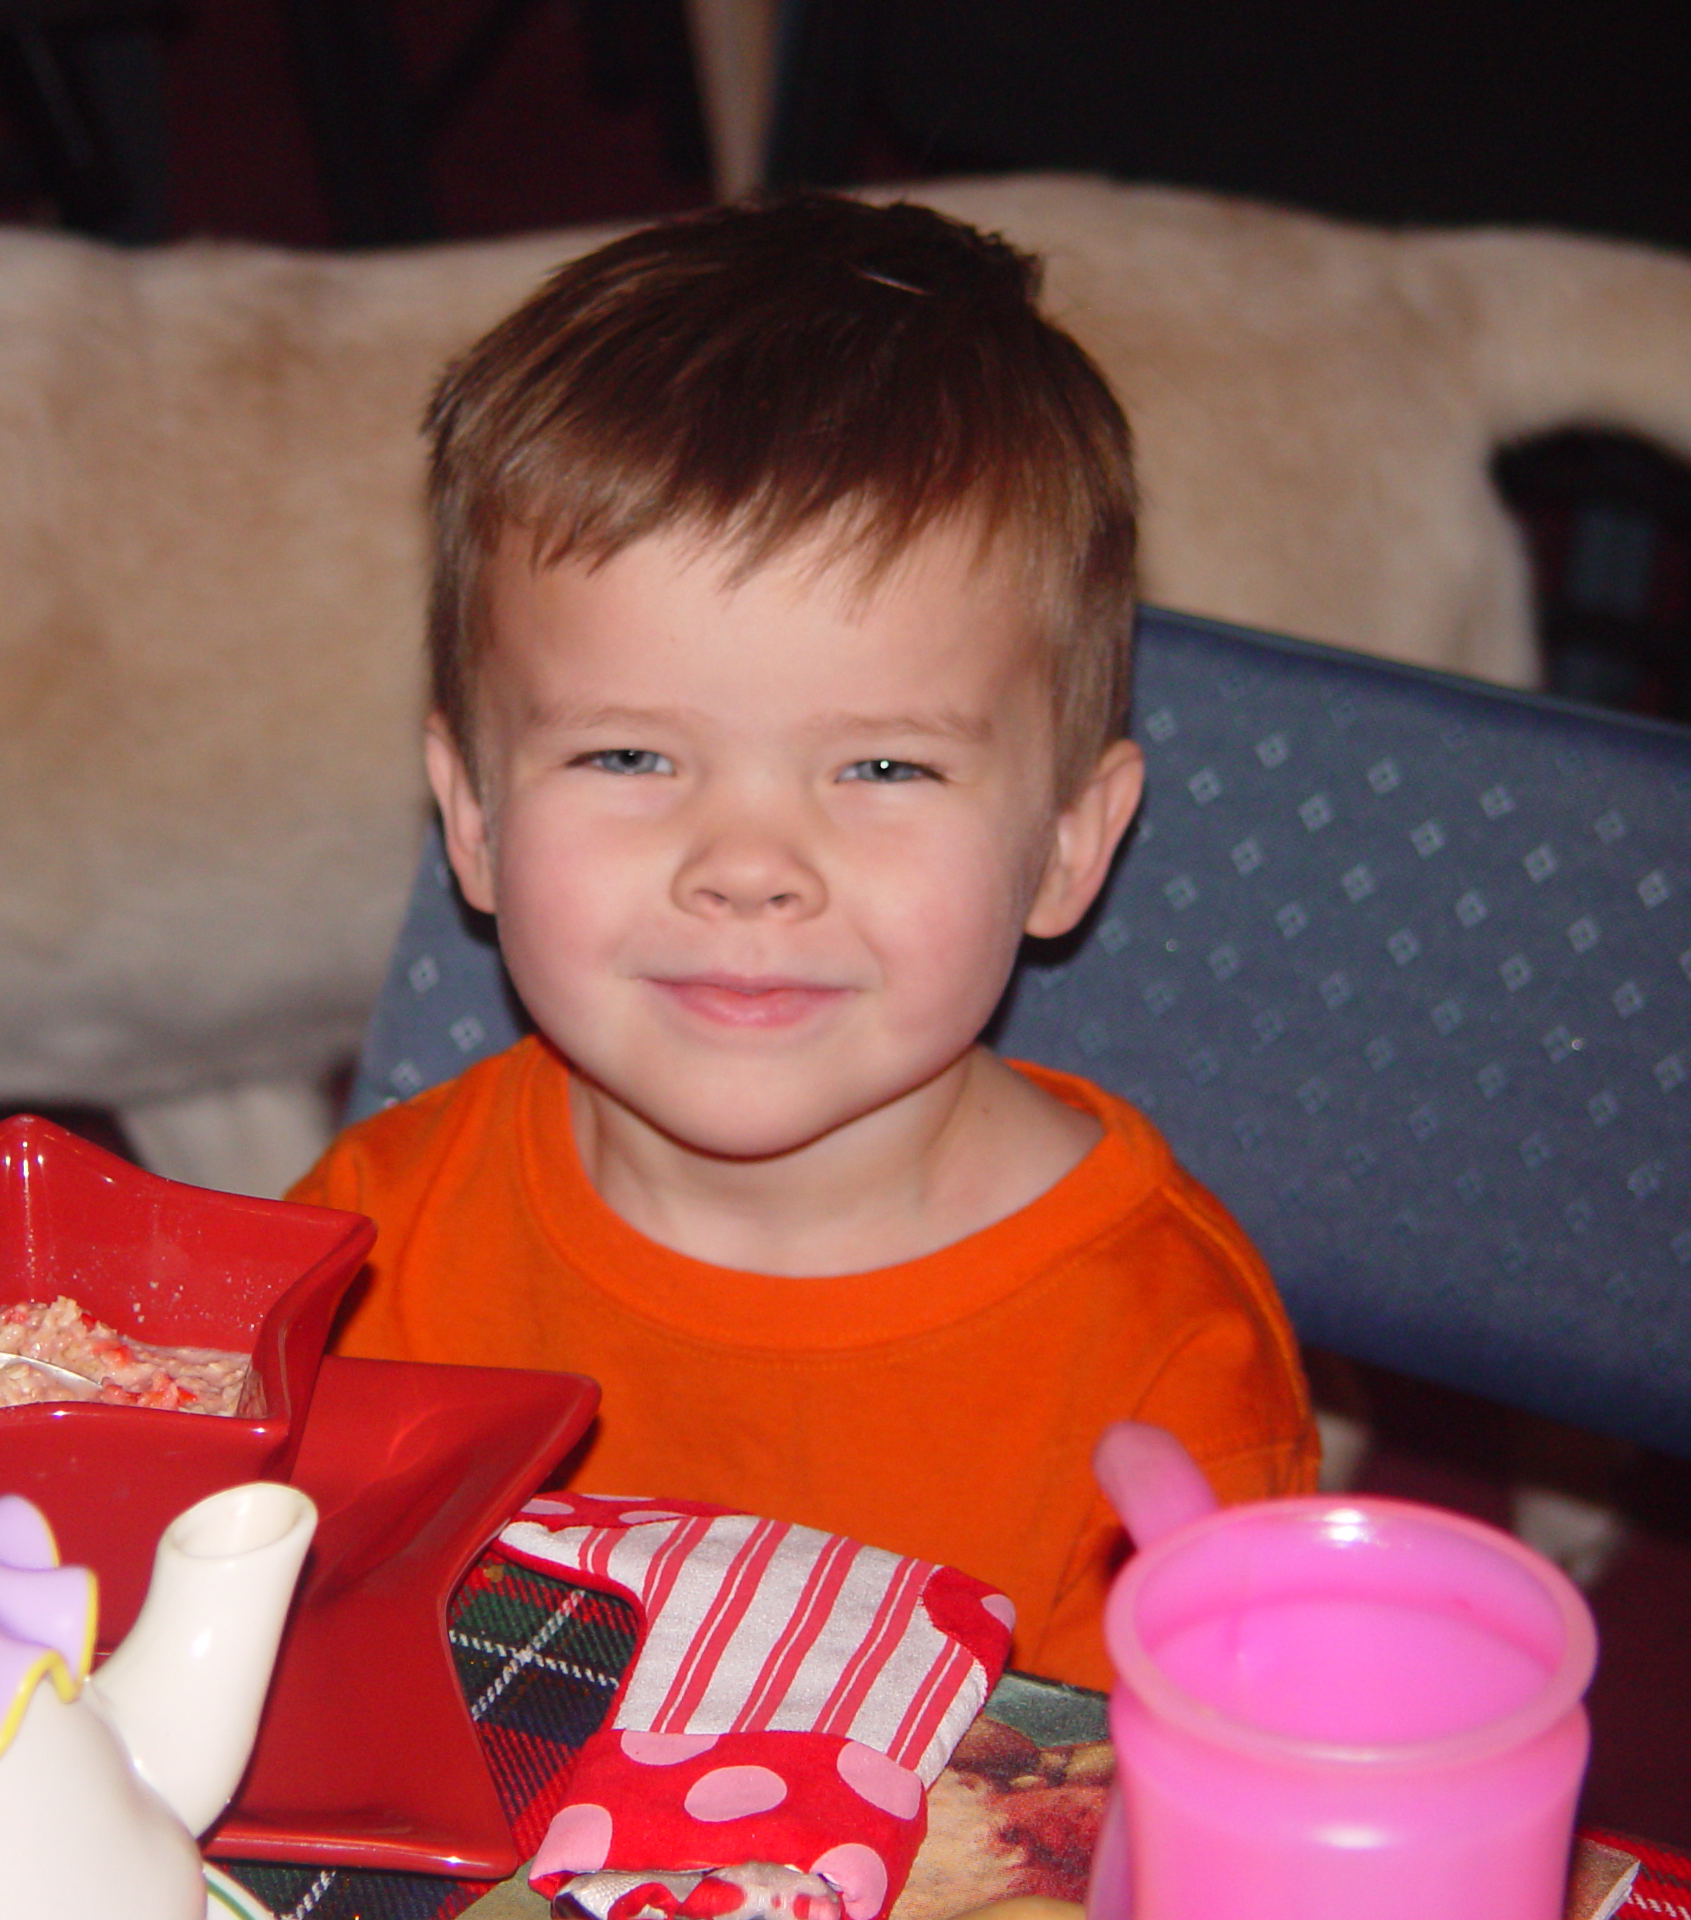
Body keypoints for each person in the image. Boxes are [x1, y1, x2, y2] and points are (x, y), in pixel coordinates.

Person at [287, 194, 1318, 1689]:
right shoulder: (375, 1255)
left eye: (884, 768)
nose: (750, 868)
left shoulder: (1164, 1376)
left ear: (1070, 844)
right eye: (630, 760)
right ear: (472, 818)